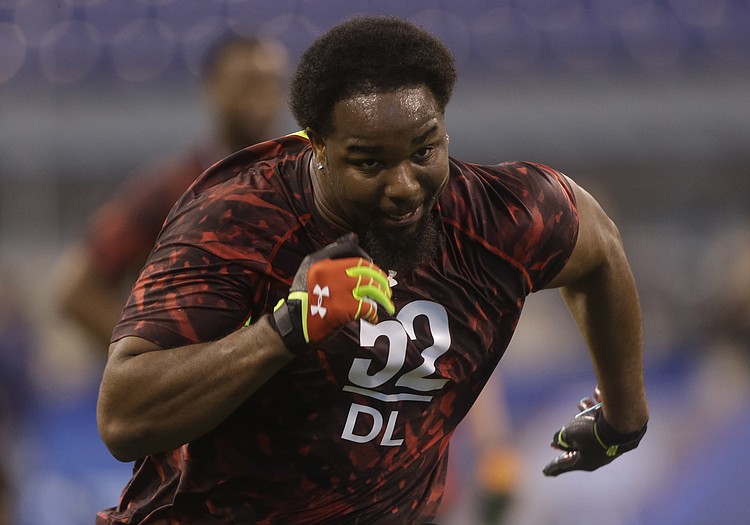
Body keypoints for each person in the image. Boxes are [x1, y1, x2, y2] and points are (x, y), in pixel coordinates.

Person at [95, 16, 649, 524]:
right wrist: (286, 329)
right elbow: (123, 418)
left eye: (423, 151)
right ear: (315, 147)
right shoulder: (237, 218)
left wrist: (622, 419)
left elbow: (599, 250)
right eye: (369, 163)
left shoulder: (500, 218)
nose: (404, 185)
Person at [57, 34, 289, 348]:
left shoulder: (297, 185)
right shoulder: (168, 189)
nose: (260, 96)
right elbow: (77, 292)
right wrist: (150, 366)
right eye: (246, 82)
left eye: (270, 84)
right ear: (211, 88)